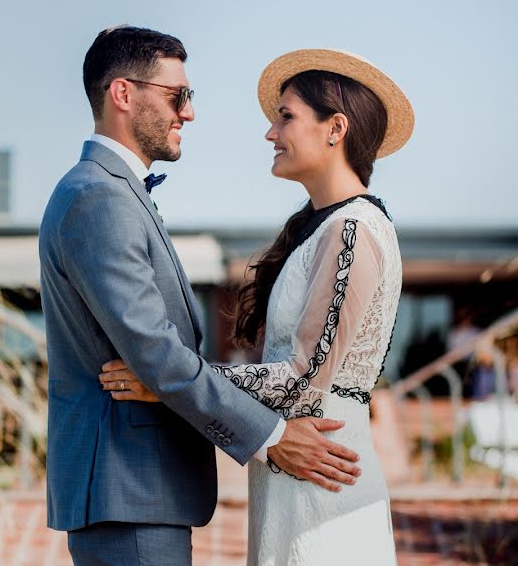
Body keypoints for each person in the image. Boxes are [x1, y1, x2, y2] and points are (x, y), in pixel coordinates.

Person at [40, 28, 363, 566]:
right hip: (130, 492)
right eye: (177, 95)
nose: (187, 113)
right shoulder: (99, 198)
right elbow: (159, 359)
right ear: (123, 94)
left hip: (139, 494)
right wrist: (272, 436)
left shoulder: (109, 192)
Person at [101, 48, 414, 565]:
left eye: (285, 117)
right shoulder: (320, 228)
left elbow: (300, 377)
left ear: (335, 128)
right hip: (295, 467)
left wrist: (169, 384)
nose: (270, 133)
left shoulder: (354, 229)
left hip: (324, 470)